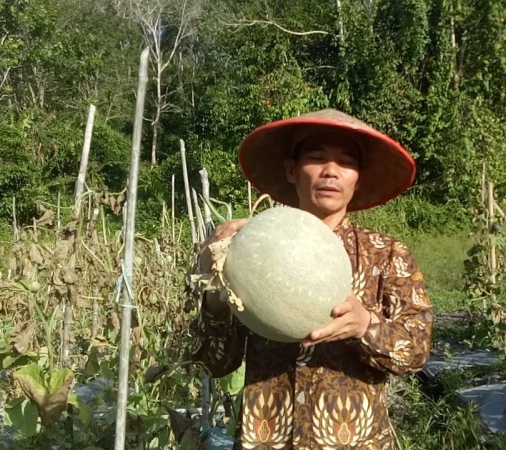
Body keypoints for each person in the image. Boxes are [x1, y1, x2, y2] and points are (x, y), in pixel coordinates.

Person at [184, 109, 434, 449]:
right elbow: (214, 362)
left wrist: (366, 327)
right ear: (291, 170)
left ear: (357, 178)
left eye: (346, 163)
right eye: (316, 158)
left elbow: (416, 353)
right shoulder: (250, 252)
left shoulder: (387, 255)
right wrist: (214, 286)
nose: (331, 171)